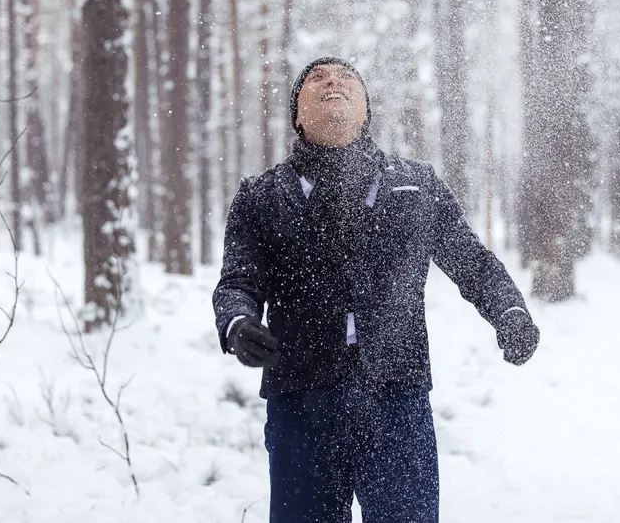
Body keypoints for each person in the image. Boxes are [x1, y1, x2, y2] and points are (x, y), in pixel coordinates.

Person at [213, 56, 540, 523]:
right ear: (297, 116)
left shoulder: (416, 185)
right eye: (317, 78)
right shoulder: (262, 196)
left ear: (366, 109)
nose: (332, 82)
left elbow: (473, 263)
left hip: (396, 399)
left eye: (346, 77)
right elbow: (238, 281)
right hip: (301, 405)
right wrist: (238, 323)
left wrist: (509, 311)